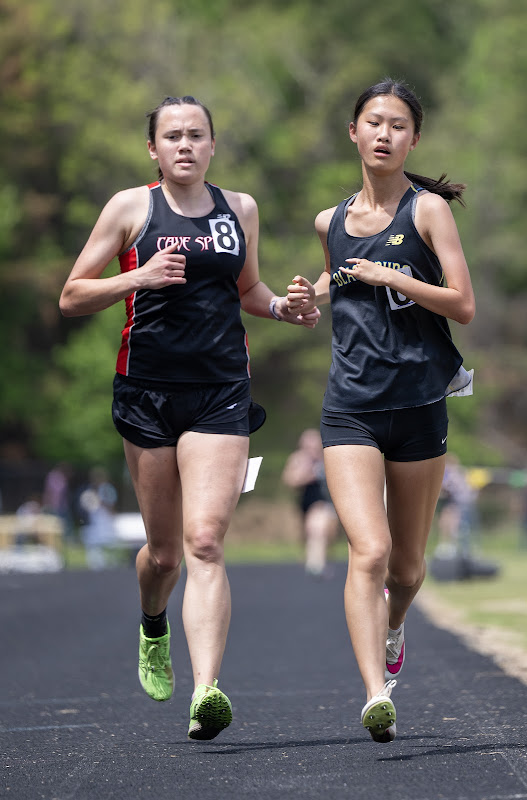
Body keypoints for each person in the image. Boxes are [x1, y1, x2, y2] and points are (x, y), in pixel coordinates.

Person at [59, 95, 319, 741]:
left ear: (211, 146)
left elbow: (249, 291)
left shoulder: (241, 209)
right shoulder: (129, 208)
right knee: (165, 554)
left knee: (205, 540)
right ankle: (153, 624)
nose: (184, 145)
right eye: (171, 136)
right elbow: (72, 295)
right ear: (153, 148)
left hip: (221, 391)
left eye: (195, 135)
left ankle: (207, 690)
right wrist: (138, 277)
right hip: (145, 390)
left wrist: (286, 309)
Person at [286, 79, 475, 743]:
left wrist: (393, 276)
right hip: (351, 409)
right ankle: (375, 692)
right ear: (354, 133)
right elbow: (335, 300)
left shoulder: (428, 214)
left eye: (399, 124)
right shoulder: (327, 223)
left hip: (420, 403)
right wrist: (308, 300)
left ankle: (396, 625)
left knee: (407, 568)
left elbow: (463, 304)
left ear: (413, 139)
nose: (385, 134)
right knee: (368, 551)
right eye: (374, 122)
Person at [282, 428, 338, 578]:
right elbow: (290, 480)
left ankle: (316, 564)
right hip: (306, 501)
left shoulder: (326, 458)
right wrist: (308, 472)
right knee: (310, 532)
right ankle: (315, 559)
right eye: (308, 446)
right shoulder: (298, 459)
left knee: (319, 529)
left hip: (324, 501)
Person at [78, 466, 118, 570]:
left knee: (109, 544)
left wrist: (101, 501)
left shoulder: (107, 489)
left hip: (105, 520)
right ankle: (97, 565)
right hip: (95, 521)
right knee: (94, 544)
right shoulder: (90, 490)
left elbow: (111, 506)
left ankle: (111, 564)